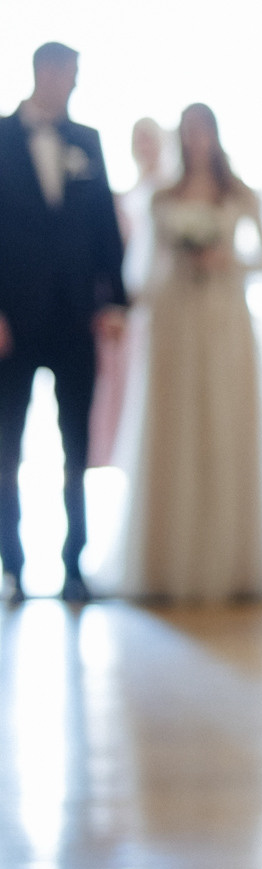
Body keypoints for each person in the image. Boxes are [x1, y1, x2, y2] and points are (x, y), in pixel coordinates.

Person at [108, 104, 262, 601]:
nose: (198, 140)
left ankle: (233, 560)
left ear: (216, 136)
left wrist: (228, 261)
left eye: (205, 130)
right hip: (176, 322)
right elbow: (145, 273)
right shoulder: (161, 198)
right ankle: (168, 563)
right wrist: (127, 309)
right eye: (190, 131)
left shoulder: (240, 194)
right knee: (176, 431)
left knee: (225, 428)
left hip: (225, 320)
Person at [0, 42, 128, 603]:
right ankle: (12, 568)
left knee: (77, 447)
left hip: (76, 320)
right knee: (7, 449)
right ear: (43, 72)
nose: (72, 85)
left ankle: (75, 566)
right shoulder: (1, 138)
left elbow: (105, 229)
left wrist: (115, 302)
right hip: (11, 324)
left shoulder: (88, 141)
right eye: (67, 74)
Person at [90, 115, 169, 470]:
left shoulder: (172, 192)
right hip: (132, 304)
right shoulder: (122, 196)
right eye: (138, 139)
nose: (144, 146)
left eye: (149, 138)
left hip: (165, 305)